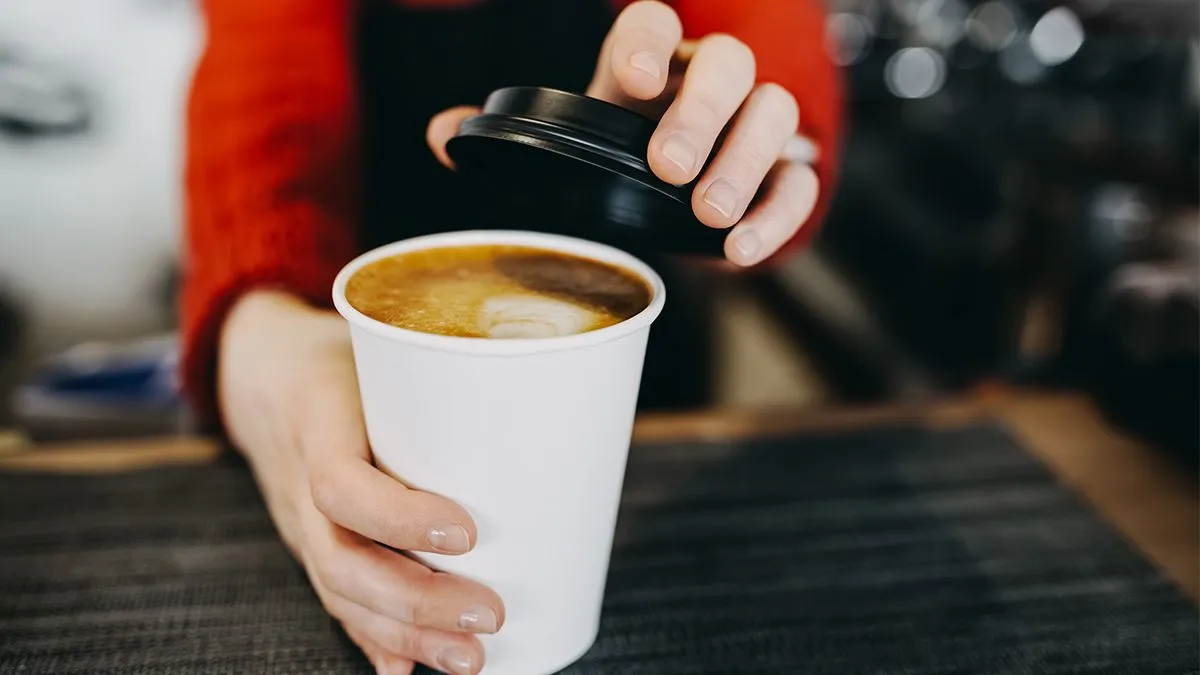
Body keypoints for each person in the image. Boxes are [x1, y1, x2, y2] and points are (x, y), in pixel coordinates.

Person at [181, 1, 842, 673]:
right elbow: (266, 81)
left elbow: (764, 30)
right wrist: (264, 327)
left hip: (639, 376)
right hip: (364, 341)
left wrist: (746, 142)